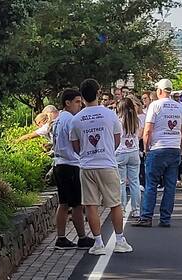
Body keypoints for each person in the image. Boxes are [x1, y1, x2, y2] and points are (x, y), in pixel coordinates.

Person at [70, 78, 133, 255]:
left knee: (91, 205)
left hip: (87, 165)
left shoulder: (77, 119)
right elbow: (117, 139)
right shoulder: (110, 114)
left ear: (82, 96)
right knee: (115, 203)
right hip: (107, 163)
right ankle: (120, 240)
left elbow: (75, 146)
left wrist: (86, 154)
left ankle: (98, 243)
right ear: (98, 93)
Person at [132, 79, 182, 227]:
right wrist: (181, 149)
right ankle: (165, 218)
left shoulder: (155, 106)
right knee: (170, 186)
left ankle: (146, 217)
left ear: (160, 91)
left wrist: (146, 148)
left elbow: (148, 130)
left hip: (157, 148)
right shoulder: (179, 107)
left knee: (151, 185)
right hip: (174, 148)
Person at [52, 89, 94, 250]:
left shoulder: (58, 119)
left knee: (63, 203)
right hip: (71, 163)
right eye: (77, 101)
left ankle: (61, 237)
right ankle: (82, 237)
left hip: (59, 163)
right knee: (76, 204)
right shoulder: (71, 119)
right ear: (67, 103)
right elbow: (78, 141)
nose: (80, 105)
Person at [115, 98, 142, 218]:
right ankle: (136, 210)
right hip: (134, 152)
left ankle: (122, 209)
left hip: (121, 152)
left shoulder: (118, 122)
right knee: (134, 182)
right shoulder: (136, 121)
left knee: (121, 182)